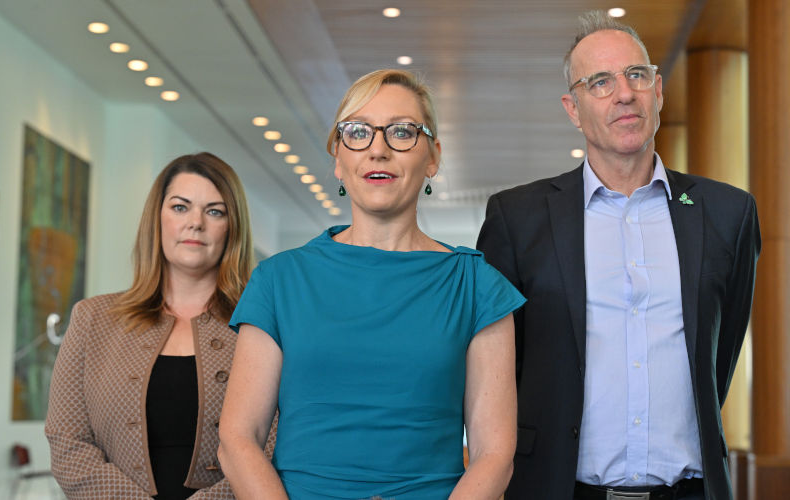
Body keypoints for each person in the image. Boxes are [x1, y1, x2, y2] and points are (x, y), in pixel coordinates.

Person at [477, 11, 760, 500]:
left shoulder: (728, 213)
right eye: (601, 82)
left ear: (658, 91)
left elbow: (721, 352)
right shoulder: (517, 219)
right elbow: (498, 370)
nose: (624, 93)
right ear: (573, 108)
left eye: (636, 75)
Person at [218, 69, 525, 499]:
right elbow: (238, 439)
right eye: (358, 132)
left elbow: (494, 454)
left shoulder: (478, 287)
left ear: (433, 156)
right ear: (338, 157)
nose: (378, 150)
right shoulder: (278, 280)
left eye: (402, 132)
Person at [45, 152, 268, 499]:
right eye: (180, 207)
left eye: (214, 211)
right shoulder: (92, 319)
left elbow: (276, 444)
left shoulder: (263, 325)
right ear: (157, 218)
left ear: (232, 227)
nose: (195, 223)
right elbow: (67, 442)